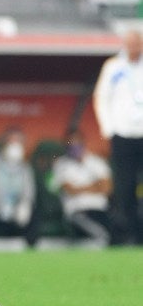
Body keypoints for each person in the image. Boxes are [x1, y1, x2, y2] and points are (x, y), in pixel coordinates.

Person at [93, 29, 143, 245]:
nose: (135, 49)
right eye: (131, 44)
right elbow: (101, 97)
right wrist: (108, 129)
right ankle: (127, 234)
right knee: (125, 187)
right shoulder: (113, 67)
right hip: (122, 134)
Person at [51, 129, 114, 243]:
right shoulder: (60, 164)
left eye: (77, 142)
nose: (74, 146)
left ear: (83, 142)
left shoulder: (97, 161)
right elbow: (71, 190)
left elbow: (107, 188)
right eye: (70, 143)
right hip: (77, 211)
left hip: (100, 210)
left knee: (116, 230)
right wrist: (95, 186)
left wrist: (81, 187)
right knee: (102, 236)